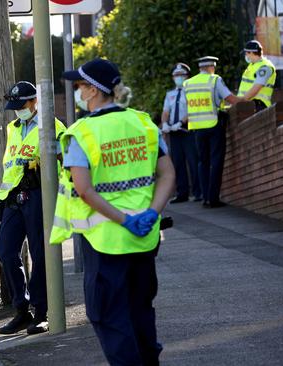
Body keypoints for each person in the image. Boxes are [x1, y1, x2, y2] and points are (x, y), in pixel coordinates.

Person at [59, 58, 176, 365]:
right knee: (140, 310)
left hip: (106, 240)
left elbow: (84, 190)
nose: (79, 92)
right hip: (145, 238)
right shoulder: (143, 123)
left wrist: (123, 220)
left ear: (93, 91)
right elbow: (167, 175)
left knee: (110, 316)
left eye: (81, 86)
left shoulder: (82, 133)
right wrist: (150, 213)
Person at [0, 81, 66, 335]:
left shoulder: (53, 127)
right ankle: (21, 310)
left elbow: (64, 161)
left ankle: (42, 312)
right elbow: (10, 164)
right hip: (14, 197)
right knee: (5, 251)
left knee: (40, 254)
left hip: (38, 196)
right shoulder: (13, 128)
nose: (17, 111)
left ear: (34, 101)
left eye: (21, 105)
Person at [185, 56, 243, 208]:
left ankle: (205, 198)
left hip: (197, 128)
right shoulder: (214, 79)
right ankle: (213, 198)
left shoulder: (188, 83)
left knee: (202, 162)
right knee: (216, 161)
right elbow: (229, 98)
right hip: (214, 124)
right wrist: (245, 102)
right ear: (211, 67)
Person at [161, 63, 201, 203]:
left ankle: (198, 192)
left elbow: (193, 110)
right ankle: (181, 193)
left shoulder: (191, 91)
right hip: (174, 132)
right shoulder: (170, 94)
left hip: (187, 130)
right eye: (176, 75)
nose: (178, 78)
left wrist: (181, 122)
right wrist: (165, 123)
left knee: (193, 161)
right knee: (177, 163)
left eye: (181, 75)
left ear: (187, 76)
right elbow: (166, 112)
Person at [237, 40, 276, 112]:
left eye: (246, 53)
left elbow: (257, 87)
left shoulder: (265, 67)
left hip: (258, 106)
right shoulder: (253, 65)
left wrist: (242, 100)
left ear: (251, 53)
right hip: (248, 105)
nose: (246, 56)